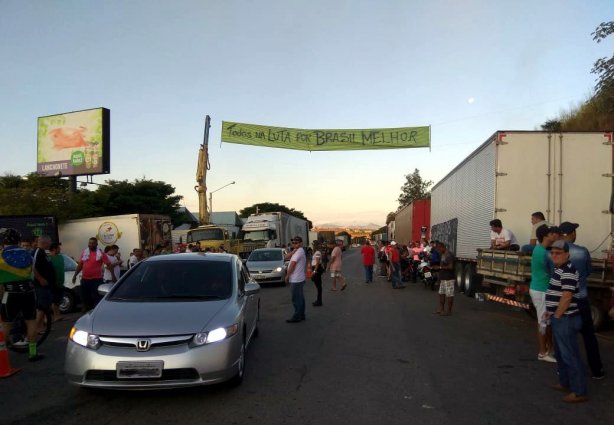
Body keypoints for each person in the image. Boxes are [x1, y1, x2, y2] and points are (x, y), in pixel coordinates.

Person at [559, 221, 605, 379]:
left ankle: (565, 371)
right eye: (575, 231)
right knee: (589, 337)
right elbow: (587, 271)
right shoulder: (582, 251)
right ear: (571, 234)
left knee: (564, 338)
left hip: (562, 301)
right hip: (580, 299)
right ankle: (596, 371)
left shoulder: (551, 253)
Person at [545, 239, 588, 403]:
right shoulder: (560, 269)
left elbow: (567, 296)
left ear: (567, 254)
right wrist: (551, 312)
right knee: (562, 354)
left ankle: (579, 391)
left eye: (558, 253)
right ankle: (565, 382)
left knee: (570, 355)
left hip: (566, 319)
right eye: (552, 252)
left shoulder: (568, 271)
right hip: (560, 317)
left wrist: (557, 315)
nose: (554, 255)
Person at [0, 228, 42, 361]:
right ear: (18, 240)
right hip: (28, 292)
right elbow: (32, 273)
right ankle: (33, 353)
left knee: (6, 324)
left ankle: (2, 354)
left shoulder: (1, 255)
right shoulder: (28, 254)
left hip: (10, 292)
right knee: (31, 321)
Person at [529, 225, 557, 363]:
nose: (555, 235)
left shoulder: (541, 249)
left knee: (547, 322)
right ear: (545, 236)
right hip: (541, 290)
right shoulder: (543, 253)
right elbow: (554, 271)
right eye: (552, 233)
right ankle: (542, 352)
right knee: (543, 322)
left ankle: (548, 349)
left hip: (542, 289)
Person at [72, 237, 112, 312]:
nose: (91, 245)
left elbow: (109, 265)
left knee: (97, 297)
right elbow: (80, 265)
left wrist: (113, 276)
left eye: (93, 243)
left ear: (96, 244)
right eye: (90, 243)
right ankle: (84, 309)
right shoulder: (84, 253)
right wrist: (75, 275)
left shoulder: (101, 254)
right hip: (85, 279)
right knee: (84, 296)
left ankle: (97, 311)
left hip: (96, 279)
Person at [32, 235, 55, 336]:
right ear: (45, 242)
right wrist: (41, 279)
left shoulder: (44, 253)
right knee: (41, 307)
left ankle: (41, 327)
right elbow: (33, 267)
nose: (50, 244)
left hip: (47, 285)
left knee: (45, 307)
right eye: (49, 242)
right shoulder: (37, 252)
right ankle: (36, 329)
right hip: (40, 286)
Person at [285, 236, 307, 323]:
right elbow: (286, 257)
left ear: (301, 243)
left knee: (296, 299)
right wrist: (292, 252)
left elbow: (292, 264)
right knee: (300, 297)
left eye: (297, 242)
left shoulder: (299, 252)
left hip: (296, 279)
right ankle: (301, 315)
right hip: (299, 278)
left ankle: (297, 316)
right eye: (293, 242)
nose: (295, 244)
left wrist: (287, 276)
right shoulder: (297, 251)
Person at [433, 241, 455, 316]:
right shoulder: (443, 254)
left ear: (442, 247)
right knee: (441, 293)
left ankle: (449, 311)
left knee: (449, 295)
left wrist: (440, 267)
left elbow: (451, 267)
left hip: (449, 278)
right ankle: (441, 309)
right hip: (443, 278)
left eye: (439, 249)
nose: (438, 251)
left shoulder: (449, 255)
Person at [49, 242, 65, 322]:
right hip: (53, 283)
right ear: (54, 249)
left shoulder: (61, 257)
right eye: (58, 248)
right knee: (54, 300)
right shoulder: (49, 258)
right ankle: (55, 316)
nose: (60, 249)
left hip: (60, 282)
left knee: (58, 300)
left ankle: (58, 315)